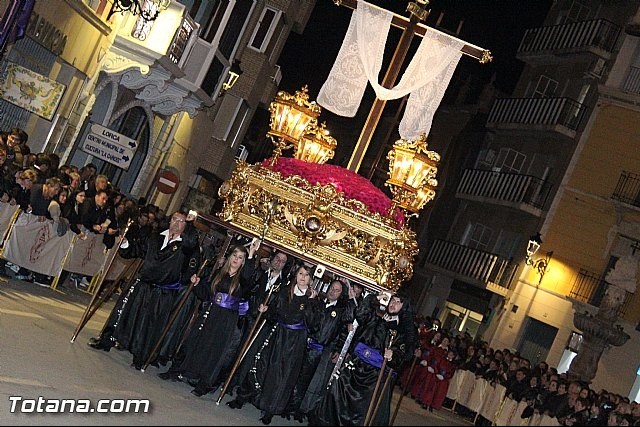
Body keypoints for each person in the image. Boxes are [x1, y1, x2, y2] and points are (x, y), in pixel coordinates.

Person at [88, 209, 199, 363]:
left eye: (182, 222)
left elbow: (191, 245)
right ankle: (107, 339)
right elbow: (138, 250)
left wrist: (191, 224)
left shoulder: (186, 245)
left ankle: (141, 354)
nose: (177, 224)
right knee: (122, 312)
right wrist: (126, 244)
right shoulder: (156, 237)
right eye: (175, 219)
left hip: (162, 291)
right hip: (142, 283)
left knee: (150, 324)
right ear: (170, 220)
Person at [158, 242, 259, 397]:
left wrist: (251, 255)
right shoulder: (220, 273)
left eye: (240, 258)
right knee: (194, 340)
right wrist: (198, 284)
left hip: (226, 319)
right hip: (210, 312)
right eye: (234, 256)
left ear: (243, 262)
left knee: (215, 350)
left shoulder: (242, 280)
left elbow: (248, 276)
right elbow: (207, 294)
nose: (236, 260)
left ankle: (204, 383)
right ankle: (179, 370)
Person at [227, 264, 319, 425]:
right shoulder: (285, 292)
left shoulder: (312, 299)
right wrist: (266, 310)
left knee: (283, 374)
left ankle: (271, 409)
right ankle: (243, 397)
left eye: (306, 275)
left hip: (294, 341)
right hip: (277, 334)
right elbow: (274, 313)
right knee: (260, 364)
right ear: (296, 275)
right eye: (300, 273)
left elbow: (313, 324)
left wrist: (310, 302)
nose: (303, 277)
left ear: (311, 279)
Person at [310, 291, 417, 426]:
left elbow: (405, 353)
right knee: (335, 397)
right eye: (392, 300)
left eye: (398, 302)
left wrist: (393, 354)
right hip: (354, 368)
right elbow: (360, 313)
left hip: (373, 377)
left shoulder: (402, 331)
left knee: (361, 412)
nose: (393, 304)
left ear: (404, 307)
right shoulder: (375, 318)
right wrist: (375, 298)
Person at [287, 279, 352, 422]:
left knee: (307, 381)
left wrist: (338, 349)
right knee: (292, 373)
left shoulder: (340, 312)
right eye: (332, 288)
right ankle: (286, 404)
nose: (333, 292)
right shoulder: (317, 303)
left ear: (341, 295)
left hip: (319, 350)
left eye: (337, 290)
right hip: (303, 344)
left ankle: (298, 408)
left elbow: (342, 333)